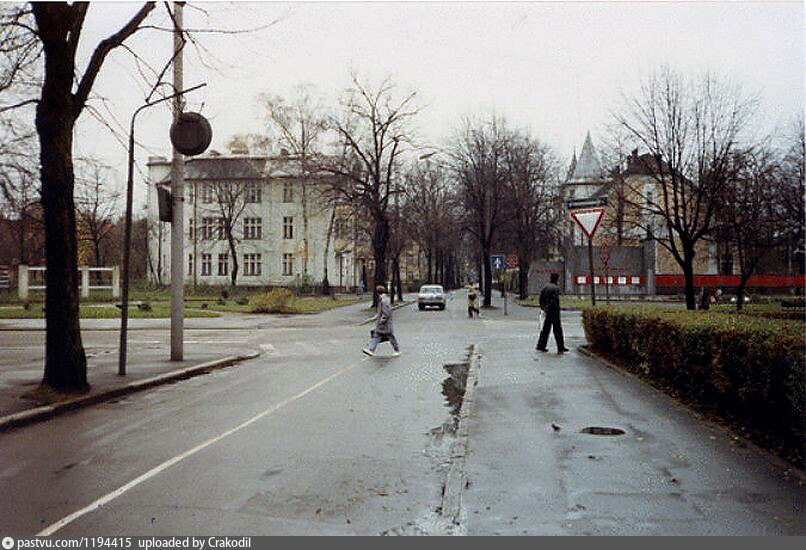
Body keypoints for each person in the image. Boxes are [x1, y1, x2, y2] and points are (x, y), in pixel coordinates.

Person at [362, 285, 400, 357]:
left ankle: (397, 350)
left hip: (385, 324)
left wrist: (381, 321)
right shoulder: (383, 299)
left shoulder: (384, 300)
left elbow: (386, 313)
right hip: (382, 324)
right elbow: (380, 312)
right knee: (376, 336)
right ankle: (371, 350)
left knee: (390, 337)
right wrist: (374, 318)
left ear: (377, 292)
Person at [536, 273, 569, 353]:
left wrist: (544, 308)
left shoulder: (545, 287)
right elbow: (554, 300)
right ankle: (560, 346)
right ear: (557, 279)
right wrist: (549, 307)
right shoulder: (555, 288)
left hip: (547, 312)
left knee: (545, 329)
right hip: (554, 312)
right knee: (557, 330)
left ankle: (541, 345)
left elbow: (541, 299)